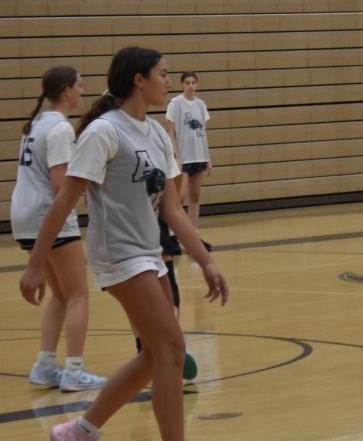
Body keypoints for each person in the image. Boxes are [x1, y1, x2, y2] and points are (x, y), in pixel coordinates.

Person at [19, 47, 229, 441]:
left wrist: (206, 262)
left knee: (154, 355)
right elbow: (63, 200)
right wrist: (34, 265)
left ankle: (82, 429)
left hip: (149, 253)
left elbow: (173, 210)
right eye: (162, 74)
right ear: (139, 79)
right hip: (118, 255)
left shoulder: (154, 133)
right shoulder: (104, 132)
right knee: (171, 348)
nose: (168, 82)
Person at [11, 66, 107, 392]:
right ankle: (75, 370)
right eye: (80, 85)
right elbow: (59, 185)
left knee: (62, 295)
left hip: (22, 216)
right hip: (46, 216)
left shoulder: (36, 123)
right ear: (67, 89)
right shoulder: (61, 129)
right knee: (78, 292)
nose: (83, 91)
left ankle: (45, 364)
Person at [165, 72, 212, 250]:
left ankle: (194, 236)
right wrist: (176, 157)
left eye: (193, 82)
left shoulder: (201, 105)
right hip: (183, 158)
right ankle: (171, 235)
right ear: (182, 85)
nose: (190, 85)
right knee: (179, 198)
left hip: (199, 156)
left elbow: (203, 133)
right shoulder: (175, 104)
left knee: (195, 197)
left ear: (197, 84)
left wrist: (208, 158)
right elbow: (170, 132)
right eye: (187, 82)